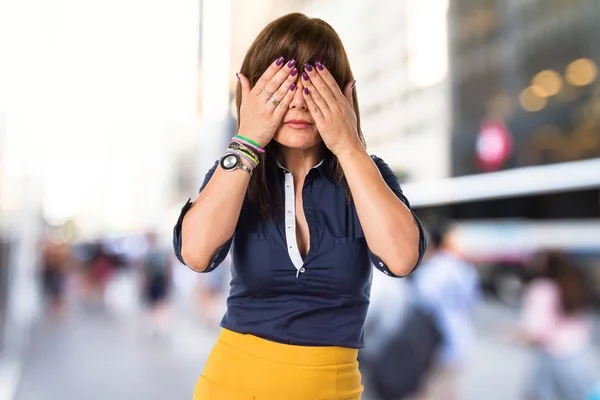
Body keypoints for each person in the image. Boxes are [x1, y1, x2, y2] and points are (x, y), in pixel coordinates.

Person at [172, 12, 426, 400]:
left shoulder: (366, 175)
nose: (299, 103)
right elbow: (196, 253)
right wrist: (247, 140)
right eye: (283, 85)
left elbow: (401, 258)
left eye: (314, 85)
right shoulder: (236, 172)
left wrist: (348, 144)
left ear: (343, 93)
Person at [513, 250, 597, 400]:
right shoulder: (574, 285)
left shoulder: (540, 289)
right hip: (578, 356)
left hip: (552, 358)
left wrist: (514, 333)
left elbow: (534, 332)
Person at [412, 223, 480, 400]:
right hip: (461, 338)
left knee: (431, 392)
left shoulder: (432, 270)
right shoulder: (465, 269)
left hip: (437, 343)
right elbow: (472, 303)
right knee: (448, 391)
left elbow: (422, 305)